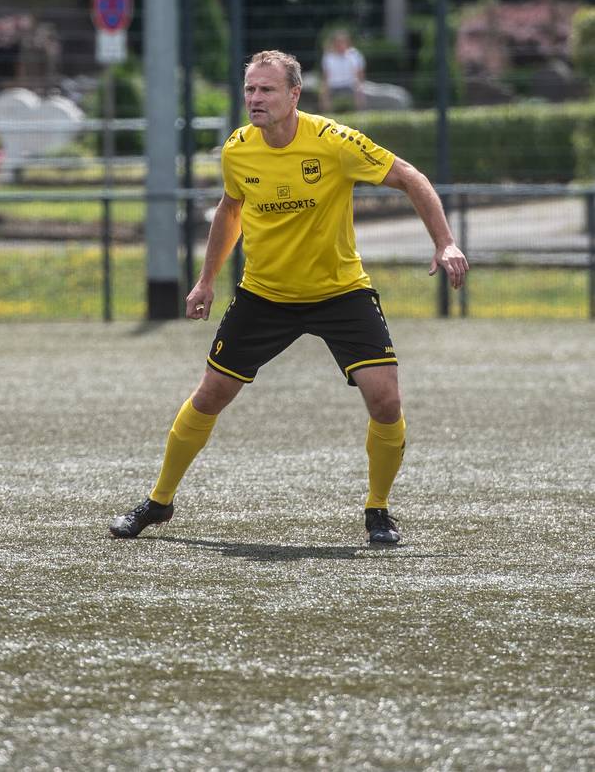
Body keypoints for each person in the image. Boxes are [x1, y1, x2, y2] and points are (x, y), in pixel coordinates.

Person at [109, 50, 468, 545]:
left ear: (294, 94)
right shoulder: (237, 148)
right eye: (250, 90)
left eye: (267, 90)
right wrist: (206, 280)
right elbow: (229, 211)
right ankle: (158, 502)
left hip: (340, 293)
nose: (255, 99)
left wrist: (444, 241)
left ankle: (378, 511)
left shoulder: (334, 142)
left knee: (385, 401)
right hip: (265, 295)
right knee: (210, 395)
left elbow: (410, 177)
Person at [319, 29, 365, 113]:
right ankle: (328, 114)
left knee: (360, 89)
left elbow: (359, 73)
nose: (340, 45)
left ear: (347, 43)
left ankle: (359, 114)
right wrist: (324, 87)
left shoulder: (354, 55)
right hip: (333, 85)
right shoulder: (328, 57)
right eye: (338, 43)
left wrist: (359, 84)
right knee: (324, 92)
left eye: (342, 42)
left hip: (350, 84)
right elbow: (325, 76)